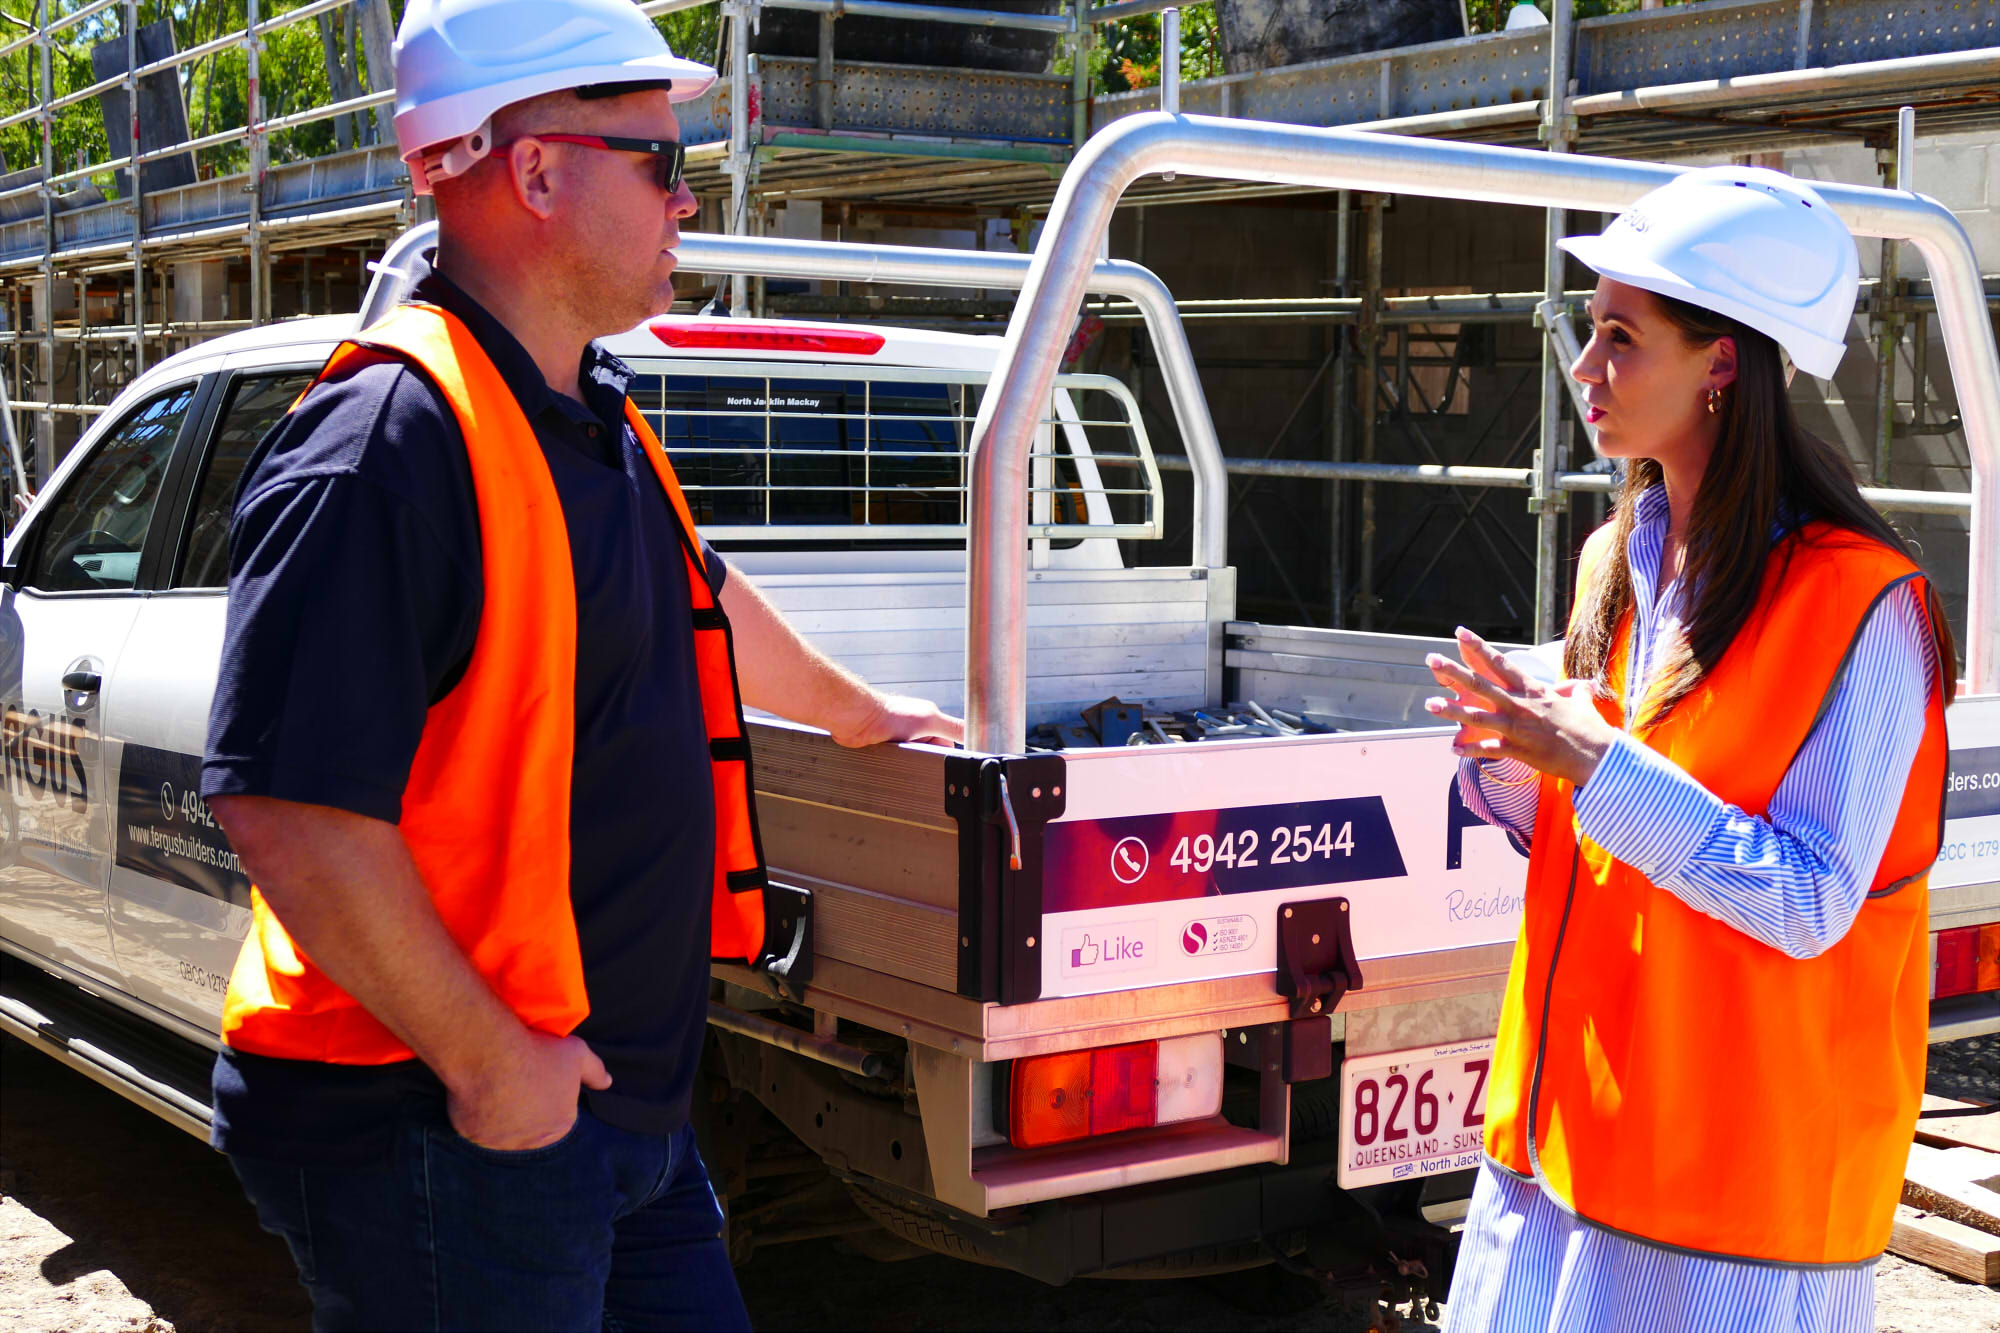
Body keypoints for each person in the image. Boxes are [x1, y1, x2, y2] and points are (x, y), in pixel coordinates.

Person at [199, 0, 961, 1327]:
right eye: (661, 161)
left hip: (607, 1105)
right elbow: (289, 810)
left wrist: (854, 713)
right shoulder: (386, 444)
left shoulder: (584, 415)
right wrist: (494, 1067)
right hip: (445, 1123)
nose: (689, 198)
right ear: (536, 169)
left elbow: (695, 595)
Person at [1426, 166, 1956, 1333]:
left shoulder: (1861, 606)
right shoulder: (1612, 564)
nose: (1583, 368)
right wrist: (1507, 755)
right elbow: (1601, 850)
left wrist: (1596, 766)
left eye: (1619, 336)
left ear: (1722, 363)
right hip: (1561, 1156)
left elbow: (1813, 897)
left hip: (1728, 1212)